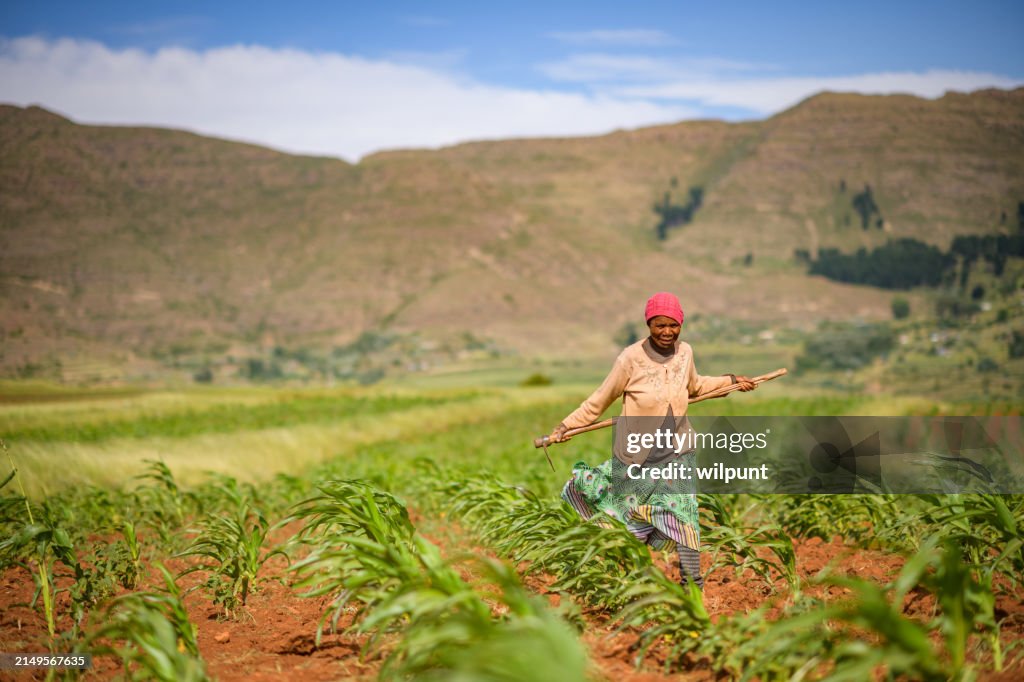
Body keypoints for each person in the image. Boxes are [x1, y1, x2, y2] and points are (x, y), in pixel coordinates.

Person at [548, 292, 755, 591]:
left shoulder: (685, 353)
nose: (667, 332)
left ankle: (691, 588)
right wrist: (565, 425)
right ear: (649, 324)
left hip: (677, 453)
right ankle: (626, 584)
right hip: (637, 458)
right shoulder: (630, 359)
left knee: (685, 518)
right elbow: (599, 400)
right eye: (659, 325)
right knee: (629, 521)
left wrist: (731, 380)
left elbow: (696, 386)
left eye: (673, 325)